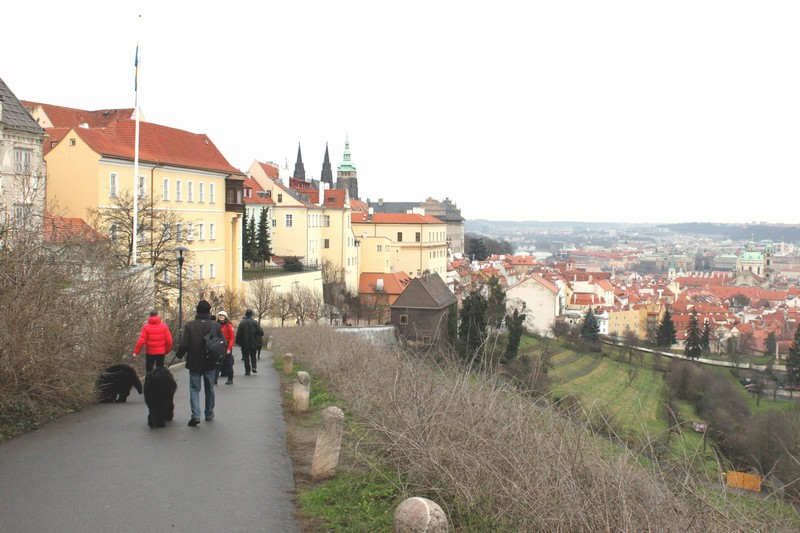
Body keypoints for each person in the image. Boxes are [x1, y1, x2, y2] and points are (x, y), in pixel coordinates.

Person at [175, 299, 222, 427]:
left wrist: (178, 355)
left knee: (194, 389)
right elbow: (221, 343)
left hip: (194, 361)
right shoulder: (215, 326)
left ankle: (196, 414)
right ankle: (209, 413)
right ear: (209, 310)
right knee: (210, 389)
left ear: (197, 310)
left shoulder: (190, 325)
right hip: (210, 362)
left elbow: (184, 344)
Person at [235, 308, 264, 376]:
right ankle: (254, 367)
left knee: (245, 356)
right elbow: (261, 332)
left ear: (246, 314)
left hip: (244, 343)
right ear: (251, 315)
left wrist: (237, 341)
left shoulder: (242, 323)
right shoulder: (255, 322)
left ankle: (247, 371)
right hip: (253, 342)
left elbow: (239, 333)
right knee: (253, 355)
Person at [216, 310, 235, 385]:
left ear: (225, 317)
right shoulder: (216, 324)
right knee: (217, 362)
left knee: (228, 362)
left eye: (222, 316)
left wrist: (229, 348)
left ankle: (230, 378)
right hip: (217, 345)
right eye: (220, 315)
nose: (221, 317)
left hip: (226, 345)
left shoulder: (229, 325)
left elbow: (232, 338)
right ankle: (214, 379)